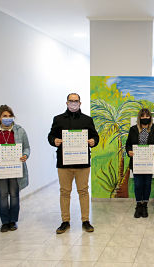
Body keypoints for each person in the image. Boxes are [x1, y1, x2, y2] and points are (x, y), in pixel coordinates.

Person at [48, 93, 99, 234]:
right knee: (65, 192)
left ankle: (85, 220)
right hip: (64, 163)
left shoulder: (87, 120)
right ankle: (65, 221)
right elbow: (51, 136)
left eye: (76, 101)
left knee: (83, 191)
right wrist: (54, 141)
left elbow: (95, 136)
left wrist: (93, 141)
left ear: (80, 103)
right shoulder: (58, 119)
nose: (73, 103)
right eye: (71, 101)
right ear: (66, 103)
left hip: (82, 163)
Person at [0, 105, 30, 232]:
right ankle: (4, 222)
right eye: (4, 116)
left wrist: (25, 155)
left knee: (14, 194)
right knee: (2, 195)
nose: (7, 118)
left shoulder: (20, 130)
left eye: (9, 116)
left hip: (15, 169)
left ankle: (13, 221)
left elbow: (27, 147)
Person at [125, 108, 154, 218]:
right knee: (138, 185)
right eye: (143, 116)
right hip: (137, 163)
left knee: (147, 184)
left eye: (147, 116)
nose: (145, 118)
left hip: (149, 163)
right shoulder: (133, 129)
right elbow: (128, 145)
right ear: (139, 118)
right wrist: (129, 151)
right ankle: (138, 205)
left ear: (150, 117)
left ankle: (145, 205)